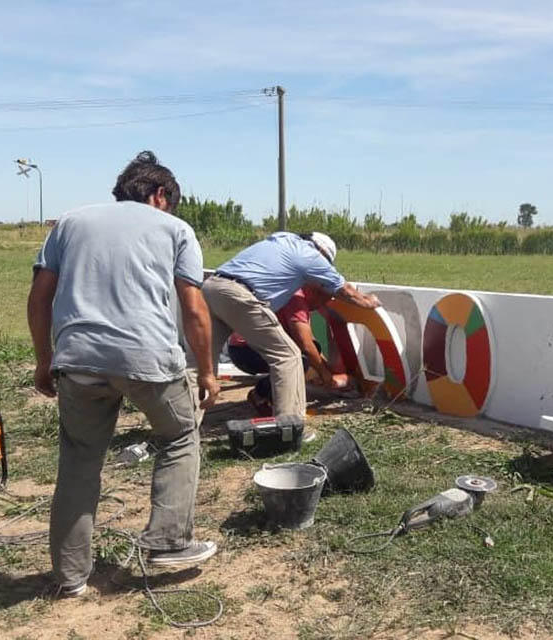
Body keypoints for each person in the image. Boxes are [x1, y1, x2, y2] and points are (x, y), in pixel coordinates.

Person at [27, 151, 220, 598]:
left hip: (77, 360)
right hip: (147, 359)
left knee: (79, 459)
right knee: (179, 435)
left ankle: (71, 577)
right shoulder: (176, 229)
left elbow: (39, 299)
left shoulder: (70, 222)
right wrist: (207, 372)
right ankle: (169, 541)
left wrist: (44, 360)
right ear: (159, 195)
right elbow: (193, 308)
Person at [202, 231, 380, 419]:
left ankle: (182, 427)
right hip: (244, 335)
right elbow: (307, 342)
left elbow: (310, 344)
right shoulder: (307, 262)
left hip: (212, 286)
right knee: (292, 359)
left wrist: (326, 371)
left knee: (200, 363)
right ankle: (288, 424)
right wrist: (369, 302)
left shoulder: (281, 242)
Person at [226, 284, 347, 415]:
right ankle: (261, 395)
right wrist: (325, 374)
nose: (320, 306)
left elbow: (311, 343)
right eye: (323, 301)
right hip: (245, 350)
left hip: (245, 348)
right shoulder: (296, 301)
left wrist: (325, 370)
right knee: (297, 362)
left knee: (305, 356)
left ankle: (269, 395)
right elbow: (306, 346)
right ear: (316, 292)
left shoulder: (297, 295)